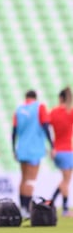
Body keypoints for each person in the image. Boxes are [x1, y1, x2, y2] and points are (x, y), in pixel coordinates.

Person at [12, 90, 53, 219]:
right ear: (35, 98)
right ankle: (28, 210)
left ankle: (23, 208)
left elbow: (13, 132)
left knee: (23, 179)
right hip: (34, 149)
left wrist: (14, 149)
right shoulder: (39, 107)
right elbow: (46, 126)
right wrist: (52, 145)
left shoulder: (18, 110)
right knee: (31, 180)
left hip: (22, 148)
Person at [49, 87, 73, 217]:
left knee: (65, 180)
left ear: (60, 98)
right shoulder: (70, 112)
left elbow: (46, 128)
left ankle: (51, 201)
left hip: (58, 150)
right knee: (66, 180)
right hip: (68, 149)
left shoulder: (53, 112)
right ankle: (63, 208)